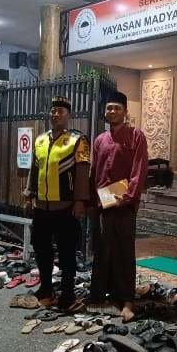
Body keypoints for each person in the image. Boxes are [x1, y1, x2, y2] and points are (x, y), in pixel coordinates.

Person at [23, 96, 90, 311]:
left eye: (60, 111)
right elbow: (34, 171)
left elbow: (82, 173)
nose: (55, 114)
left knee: (67, 252)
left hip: (65, 208)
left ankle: (68, 292)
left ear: (69, 115)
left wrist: (80, 201)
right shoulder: (40, 140)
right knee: (41, 249)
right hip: (41, 208)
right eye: (53, 111)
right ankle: (46, 288)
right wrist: (28, 196)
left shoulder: (78, 140)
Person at [90, 91, 148, 322]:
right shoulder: (99, 140)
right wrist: (92, 201)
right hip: (103, 203)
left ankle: (127, 301)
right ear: (104, 112)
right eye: (109, 108)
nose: (112, 111)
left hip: (124, 204)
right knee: (102, 250)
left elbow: (139, 168)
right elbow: (95, 172)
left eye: (117, 108)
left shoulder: (136, 136)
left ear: (125, 111)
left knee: (124, 251)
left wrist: (129, 196)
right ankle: (99, 296)